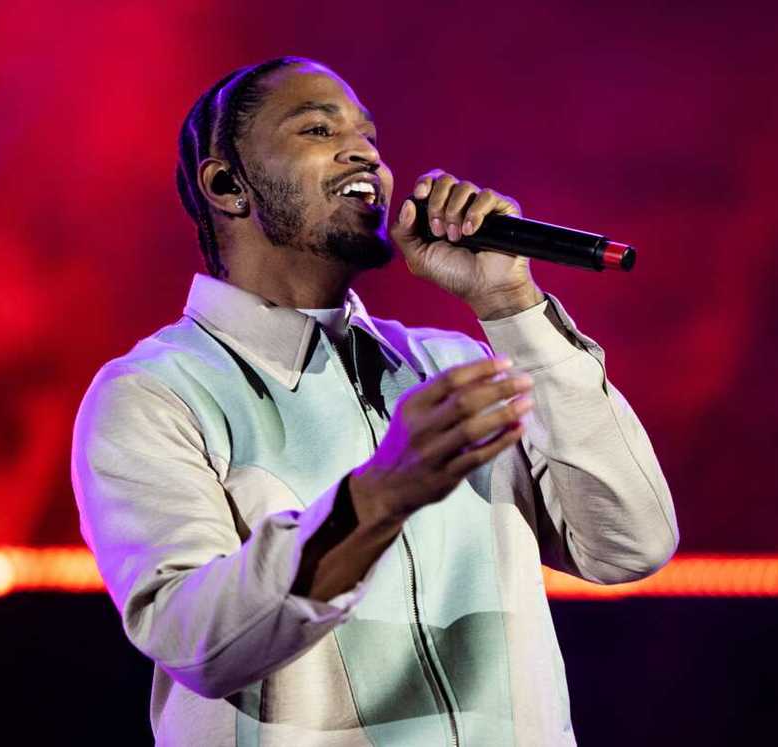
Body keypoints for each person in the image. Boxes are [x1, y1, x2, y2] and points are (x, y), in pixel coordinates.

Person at [71, 56, 678, 746]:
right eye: (318, 129)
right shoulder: (156, 394)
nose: (365, 152)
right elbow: (194, 639)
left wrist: (510, 302)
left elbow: (629, 544)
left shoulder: (452, 365)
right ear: (226, 184)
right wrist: (381, 495)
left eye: (370, 137)